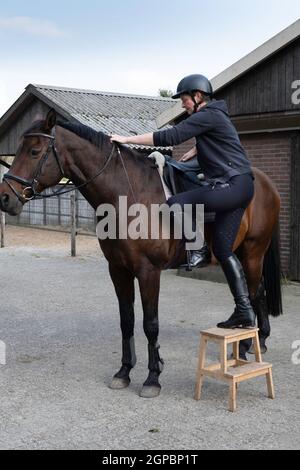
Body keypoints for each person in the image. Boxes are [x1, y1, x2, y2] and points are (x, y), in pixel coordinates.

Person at [111, 74, 255, 329]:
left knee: (175, 203)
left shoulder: (208, 115)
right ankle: (244, 311)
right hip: (242, 186)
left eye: (185, 99)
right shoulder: (217, 116)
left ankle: (197, 250)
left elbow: (170, 137)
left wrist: (126, 139)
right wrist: (200, 148)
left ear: (198, 96)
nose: (183, 105)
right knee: (222, 251)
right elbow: (226, 144)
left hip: (230, 186)